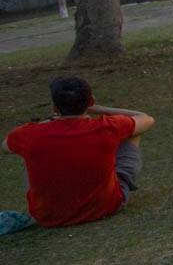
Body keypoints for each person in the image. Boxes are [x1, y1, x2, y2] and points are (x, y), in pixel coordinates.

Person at [2, 78, 155, 233]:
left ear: (55, 108)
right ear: (91, 101)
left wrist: (49, 122)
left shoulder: (30, 134)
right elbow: (145, 119)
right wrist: (98, 109)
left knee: (30, 151)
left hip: (48, 217)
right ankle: (115, 184)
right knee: (134, 132)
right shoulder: (107, 126)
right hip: (104, 207)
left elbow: (6, 145)